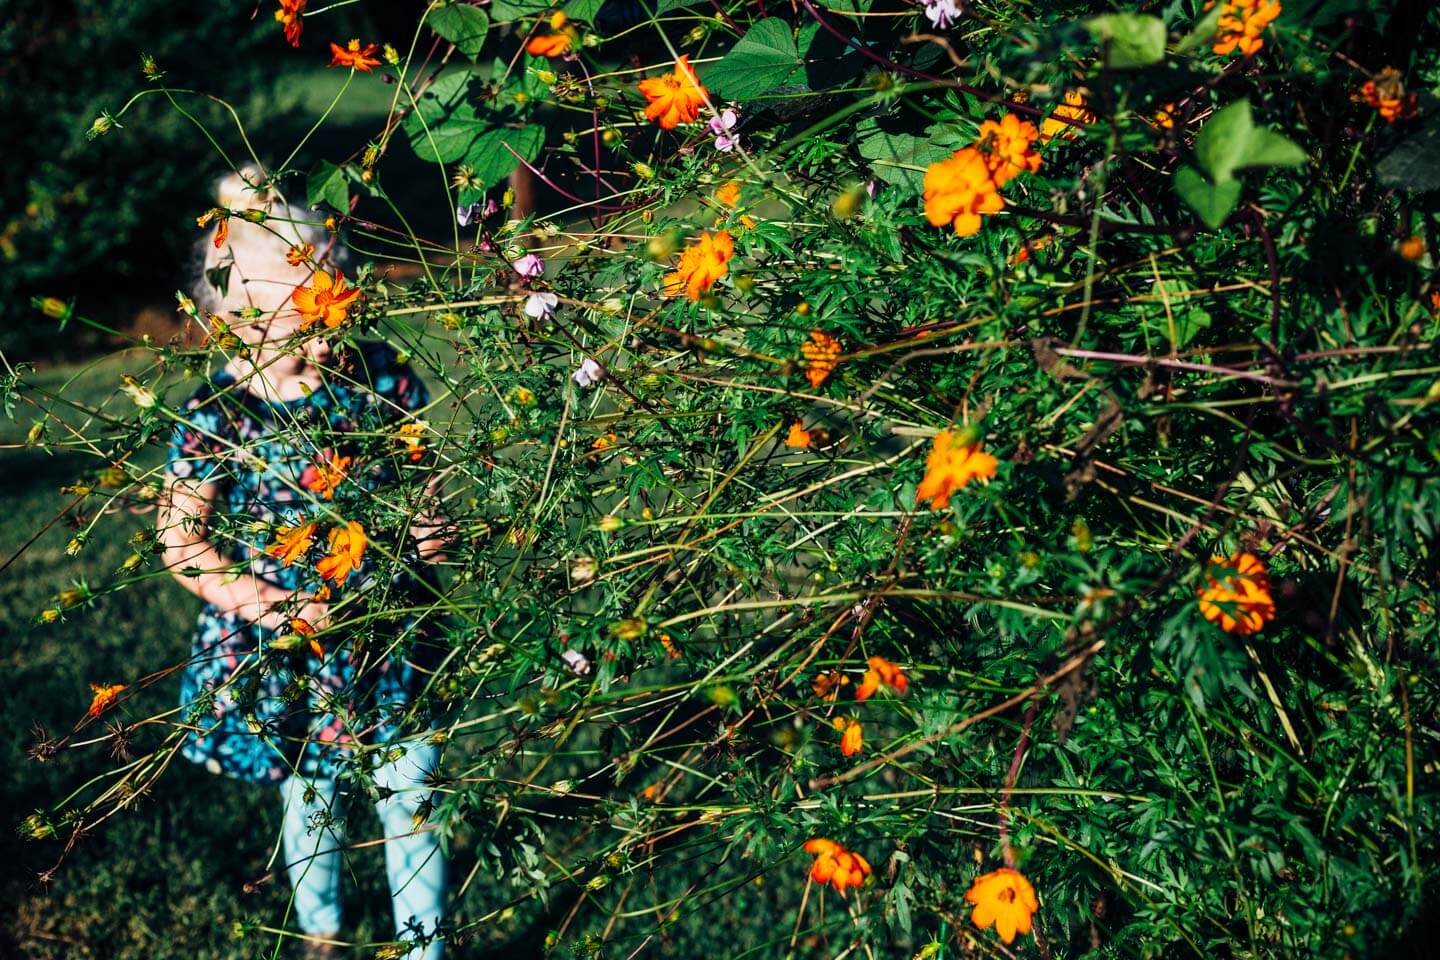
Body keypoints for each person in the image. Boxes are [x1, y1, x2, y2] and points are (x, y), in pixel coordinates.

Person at [157, 166, 448, 959]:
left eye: (336, 312)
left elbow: (422, 478)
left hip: (389, 628)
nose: (326, 341)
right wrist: (269, 604)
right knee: (311, 795)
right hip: (289, 643)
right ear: (237, 323)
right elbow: (181, 542)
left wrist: (431, 527)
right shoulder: (220, 412)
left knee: (411, 793)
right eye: (301, 324)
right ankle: (321, 929)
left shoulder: (378, 376)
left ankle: (425, 950)